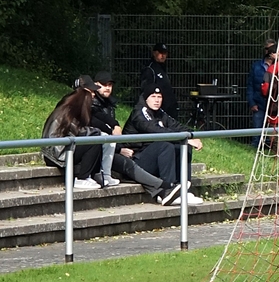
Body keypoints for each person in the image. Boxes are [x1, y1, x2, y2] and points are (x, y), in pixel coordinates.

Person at [89, 71, 174, 200]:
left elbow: (109, 130)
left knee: (177, 146)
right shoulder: (92, 105)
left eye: (110, 85)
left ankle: (169, 189)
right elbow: (97, 128)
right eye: (104, 84)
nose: (107, 88)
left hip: (110, 149)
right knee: (131, 163)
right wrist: (119, 148)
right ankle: (165, 188)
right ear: (95, 85)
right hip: (98, 151)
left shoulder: (108, 104)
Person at [122, 84, 203, 205]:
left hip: (152, 158)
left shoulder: (159, 113)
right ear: (146, 98)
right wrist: (183, 138)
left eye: (159, 97)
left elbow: (176, 126)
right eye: (153, 96)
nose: (157, 100)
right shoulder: (140, 113)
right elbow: (155, 131)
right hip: (136, 161)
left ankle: (183, 188)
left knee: (183, 146)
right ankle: (167, 190)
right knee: (165, 145)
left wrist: (192, 136)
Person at [41, 79, 105, 190]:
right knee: (94, 141)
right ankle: (82, 178)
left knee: (95, 138)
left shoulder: (69, 106)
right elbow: (79, 131)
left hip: (57, 151)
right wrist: (96, 132)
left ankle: (91, 176)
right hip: (56, 154)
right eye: (92, 92)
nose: (94, 95)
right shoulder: (68, 111)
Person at [247, 39, 276, 143]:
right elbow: (250, 85)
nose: (270, 52)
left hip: (275, 106)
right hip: (259, 104)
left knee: (273, 136)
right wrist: (252, 103)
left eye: (273, 49)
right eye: (268, 49)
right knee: (257, 134)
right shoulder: (256, 66)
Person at [139, 42, 178, 118]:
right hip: (159, 110)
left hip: (169, 109)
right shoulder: (150, 69)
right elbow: (146, 91)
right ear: (154, 53)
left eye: (165, 53)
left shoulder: (164, 68)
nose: (162, 55)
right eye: (160, 53)